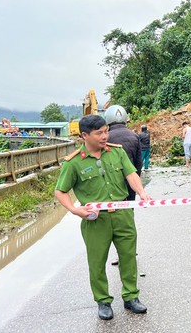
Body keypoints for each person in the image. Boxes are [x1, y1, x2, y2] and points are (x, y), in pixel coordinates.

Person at [54, 115, 151, 320]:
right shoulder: (73, 163)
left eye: (106, 131)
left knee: (128, 257)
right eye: (99, 133)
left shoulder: (117, 152)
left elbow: (131, 174)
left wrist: (141, 192)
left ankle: (131, 297)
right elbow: (60, 192)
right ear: (84, 135)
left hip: (123, 214)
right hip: (96, 220)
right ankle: (103, 301)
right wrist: (74, 209)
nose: (105, 136)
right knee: (97, 262)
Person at [104, 105, 142, 201]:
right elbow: (139, 162)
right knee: (130, 205)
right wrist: (136, 178)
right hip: (131, 178)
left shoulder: (105, 138)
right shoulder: (134, 136)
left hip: (112, 180)